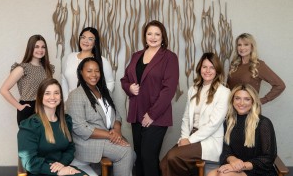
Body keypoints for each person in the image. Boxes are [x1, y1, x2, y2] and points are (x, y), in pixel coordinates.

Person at [120, 20, 179, 176]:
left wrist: (152, 114)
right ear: (145, 36)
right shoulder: (136, 55)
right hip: (136, 113)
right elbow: (124, 80)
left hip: (157, 115)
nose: (153, 37)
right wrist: (129, 88)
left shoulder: (169, 57)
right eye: (149, 33)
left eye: (157, 34)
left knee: (148, 157)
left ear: (163, 36)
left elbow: (169, 90)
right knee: (139, 157)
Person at [160, 52, 230, 176]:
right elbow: (186, 118)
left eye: (212, 67)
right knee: (164, 163)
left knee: (172, 157)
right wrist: (184, 137)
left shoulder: (224, 92)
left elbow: (213, 125)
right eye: (204, 67)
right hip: (191, 136)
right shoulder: (193, 89)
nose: (207, 71)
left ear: (217, 70)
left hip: (209, 140)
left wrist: (190, 140)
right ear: (200, 69)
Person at [66, 57, 133, 176]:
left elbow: (117, 115)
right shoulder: (76, 95)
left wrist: (117, 130)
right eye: (89, 71)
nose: (94, 74)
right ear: (81, 72)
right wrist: (110, 135)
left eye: (97, 71)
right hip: (88, 142)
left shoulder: (105, 91)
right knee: (126, 152)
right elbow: (79, 128)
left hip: (108, 138)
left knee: (132, 154)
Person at [18, 78, 88, 176]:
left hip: (62, 168)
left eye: (56, 93)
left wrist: (61, 164)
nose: (52, 97)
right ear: (40, 97)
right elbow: (29, 162)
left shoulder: (65, 121)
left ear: (60, 97)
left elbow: (70, 149)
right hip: (41, 172)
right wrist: (59, 171)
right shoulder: (31, 125)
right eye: (47, 93)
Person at [207, 84, 277, 176]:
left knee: (224, 175)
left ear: (253, 101)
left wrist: (240, 166)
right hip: (235, 167)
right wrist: (233, 161)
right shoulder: (228, 122)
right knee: (211, 174)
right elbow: (226, 151)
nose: (241, 103)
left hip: (258, 170)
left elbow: (268, 158)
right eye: (237, 98)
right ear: (232, 100)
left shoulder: (263, 123)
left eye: (247, 99)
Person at [0, 34, 54, 125]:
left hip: (45, 107)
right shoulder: (22, 68)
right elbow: (3, 90)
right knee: (29, 138)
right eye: (36, 47)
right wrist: (20, 107)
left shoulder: (48, 68)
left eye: (43, 47)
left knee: (47, 138)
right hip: (29, 109)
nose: (40, 50)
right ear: (30, 48)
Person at [227, 33, 285, 104]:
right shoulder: (234, 65)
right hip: (232, 107)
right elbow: (228, 88)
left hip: (249, 110)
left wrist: (261, 101)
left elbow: (280, 85)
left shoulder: (258, 65)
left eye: (246, 44)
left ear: (252, 47)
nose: (242, 48)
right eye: (239, 45)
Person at [62, 27, 114, 102]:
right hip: (71, 101)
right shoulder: (70, 57)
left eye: (90, 39)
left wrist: (100, 99)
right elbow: (64, 79)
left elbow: (110, 82)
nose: (85, 41)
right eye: (83, 37)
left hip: (91, 103)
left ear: (95, 42)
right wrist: (66, 99)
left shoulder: (101, 60)